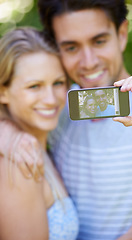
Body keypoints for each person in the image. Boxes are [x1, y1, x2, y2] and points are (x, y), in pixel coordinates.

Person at [1, 1, 132, 240]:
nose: (88, 62)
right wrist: (6, 130)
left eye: (99, 41)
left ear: (122, 34)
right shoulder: (57, 110)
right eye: (71, 47)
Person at [0, 27, 79, 240]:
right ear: (3, 91)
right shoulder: (19, 164)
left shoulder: (42, 143)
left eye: (58, 83)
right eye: (34, 86)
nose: (51, 99)